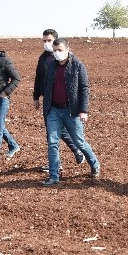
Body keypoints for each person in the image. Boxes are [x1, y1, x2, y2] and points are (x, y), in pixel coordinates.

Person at [39, 38, 100, 186]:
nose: (57, 53)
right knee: (53, 142)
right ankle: (54, 176)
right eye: (54, 51)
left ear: (67, 49)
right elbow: (46, 86)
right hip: (53, 110)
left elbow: (84, 88)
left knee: (79, 142)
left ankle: (94, 164)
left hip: (71, 111)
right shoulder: (51, 66)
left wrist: (83, 110)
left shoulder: (78, 66)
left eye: (59, 50)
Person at [33, 28, 84, 175]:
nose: (46, 44)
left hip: (64, 102)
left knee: (57, 131)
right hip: (48, 101)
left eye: (49, 40)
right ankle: (58, 163)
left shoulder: (66, 58)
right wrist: (36, 97)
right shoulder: (43, 58)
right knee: (53, 133)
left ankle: (76, 151)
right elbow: (39, 78)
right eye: (44, 41)